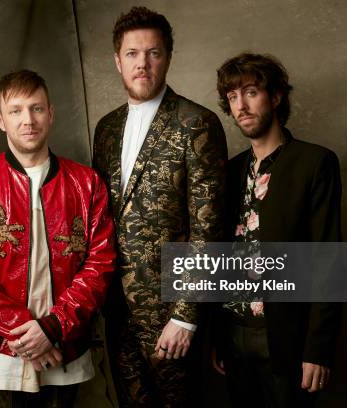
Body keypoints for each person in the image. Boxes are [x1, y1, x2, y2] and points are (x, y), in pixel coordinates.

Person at [0, 69, 116, 407]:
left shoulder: (87, 184)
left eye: (37, 108)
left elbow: (100, 264)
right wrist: (26, 335)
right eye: (16, 110)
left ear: (51, 114)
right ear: (1, 120)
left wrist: (53, 328)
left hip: (66, 348)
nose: (28, 119)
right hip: (1, 354)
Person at [92, 6, 228, 407]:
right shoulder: (106, 128)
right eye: (133, 54)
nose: (143, 64)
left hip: (173, 315)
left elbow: (209, 229)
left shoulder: (196, 122)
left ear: (167, 57)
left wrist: (187, 316)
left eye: (153, 53)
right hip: (118, 313)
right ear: (118, 61)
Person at [211, 52, 342, 408]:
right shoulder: (231, 171)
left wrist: (319, 348)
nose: (241, 105)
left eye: (250, 92)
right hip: (234, 336)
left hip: (287, 338)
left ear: (276, 96)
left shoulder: (315, 163)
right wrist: (220, 338)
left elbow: (328, 259)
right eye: (233, 97)